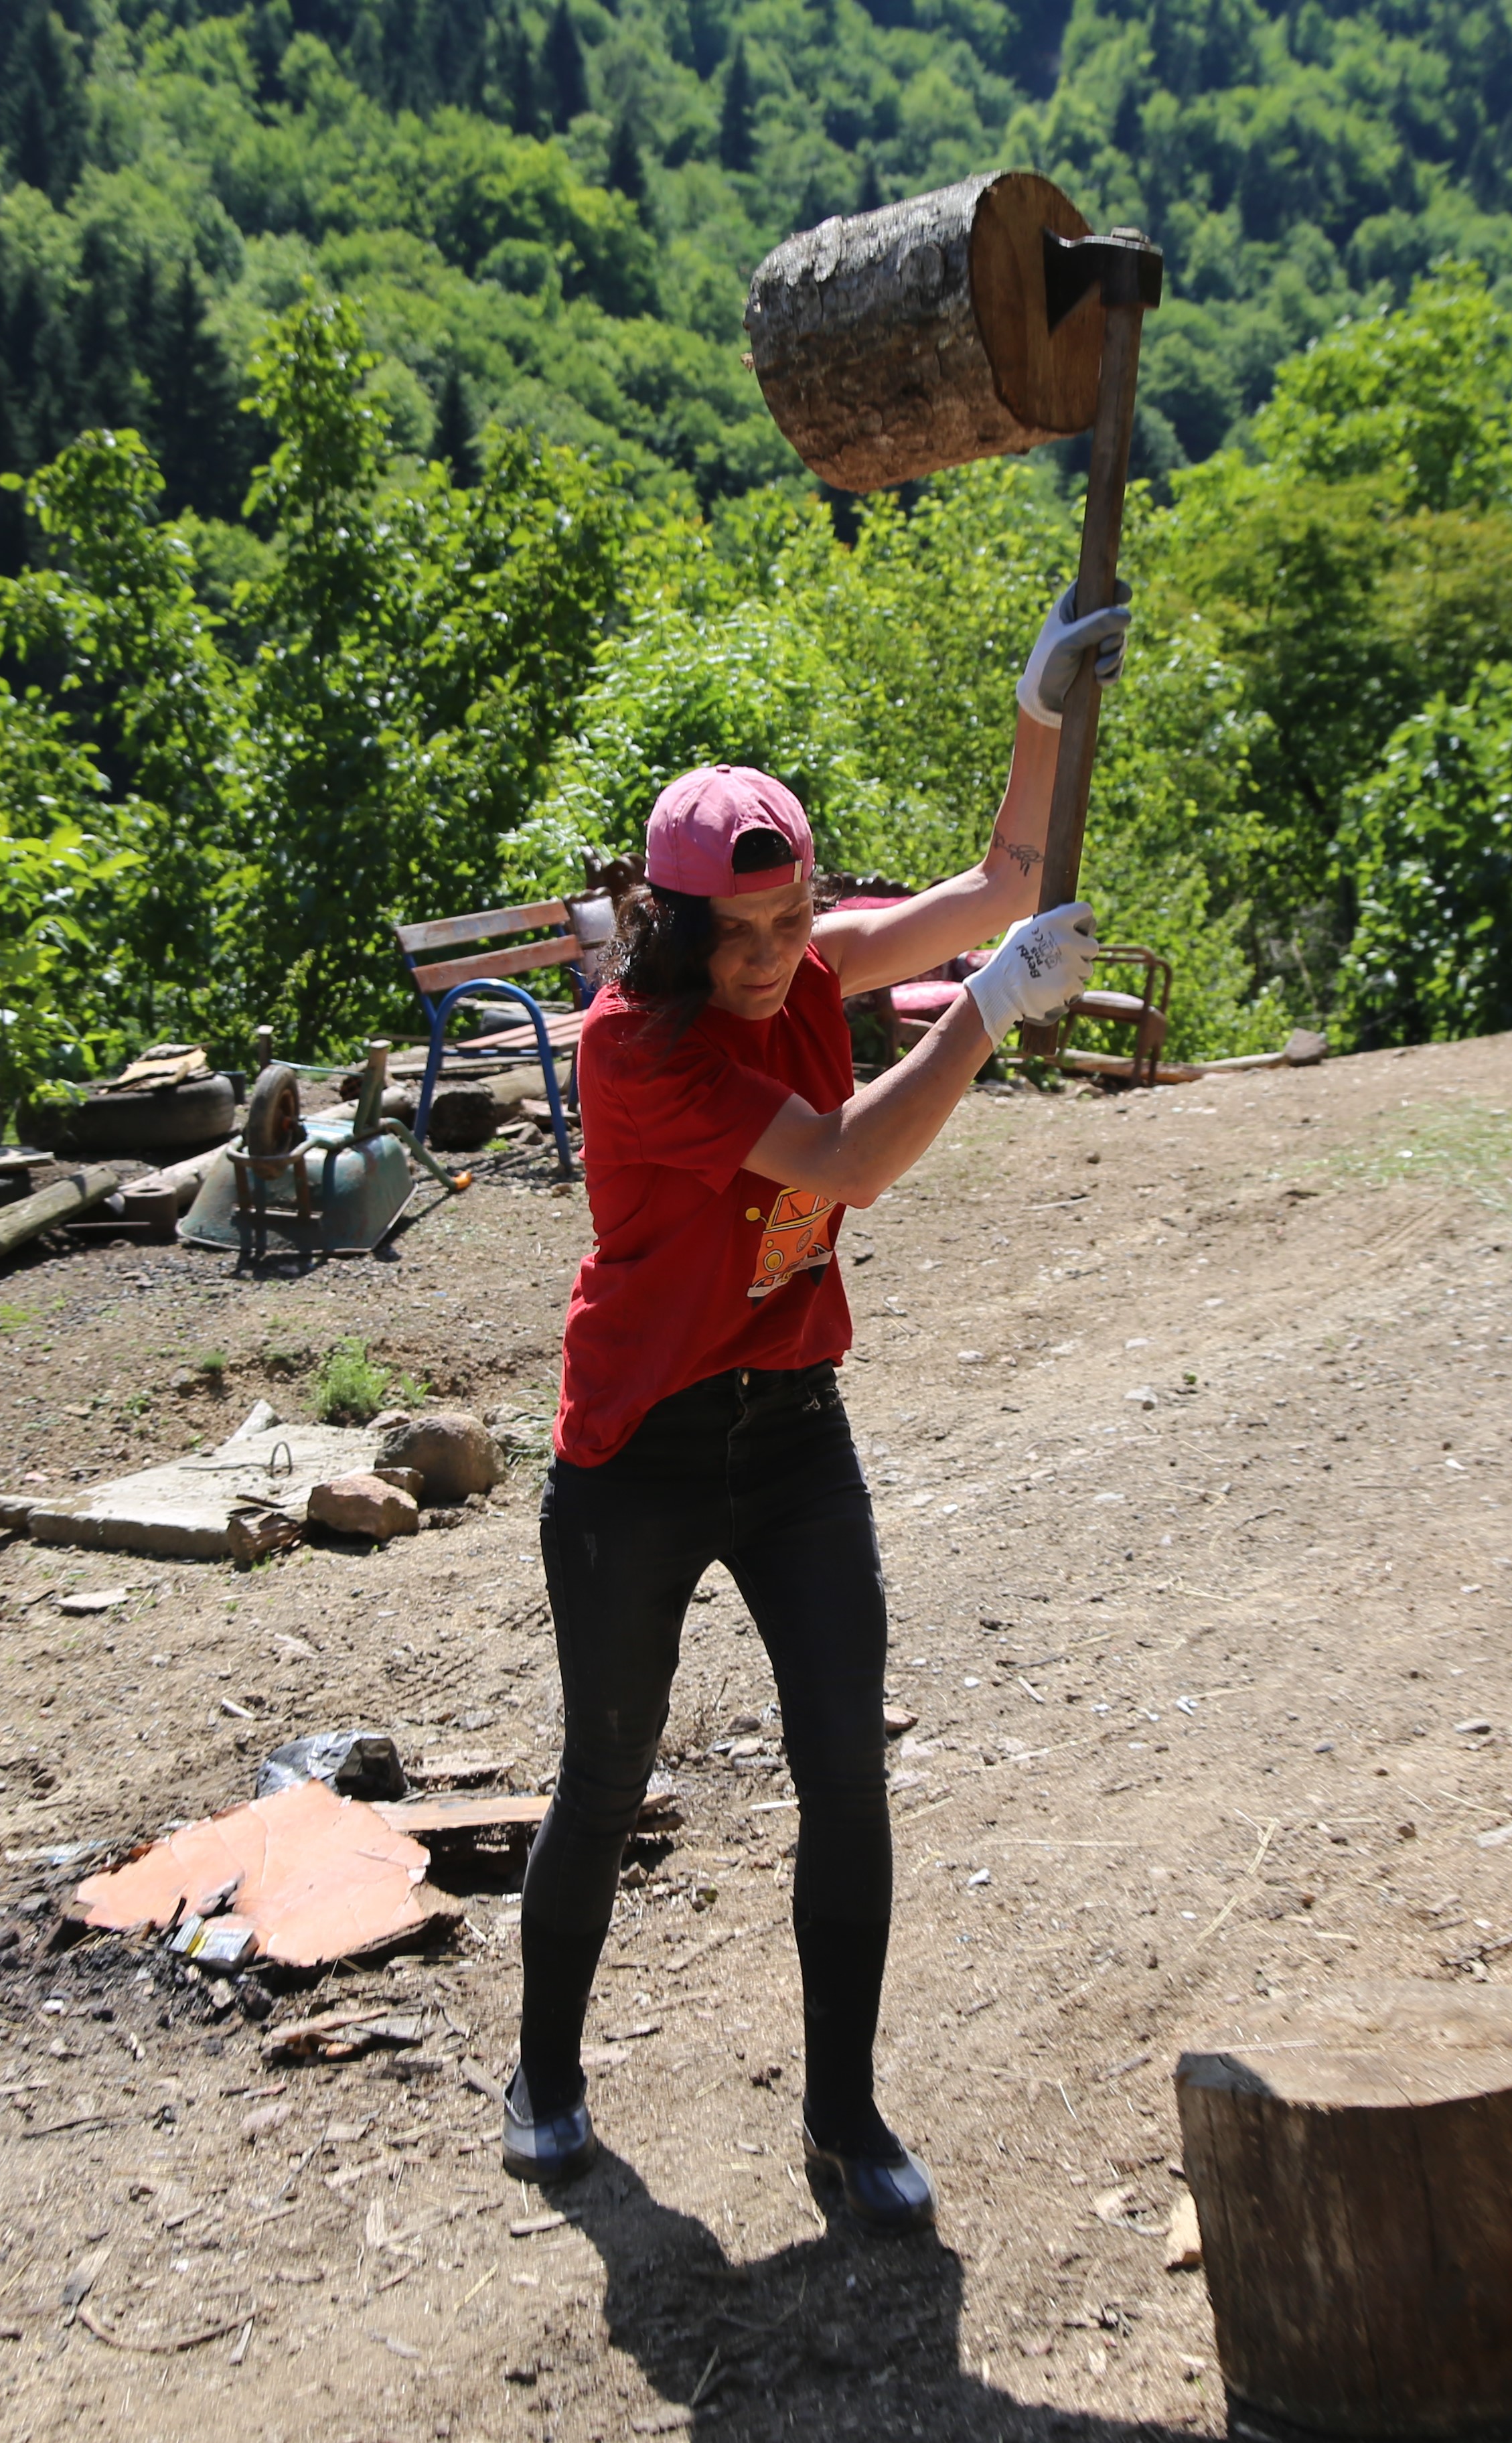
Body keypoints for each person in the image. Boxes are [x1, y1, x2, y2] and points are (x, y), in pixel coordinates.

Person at [499, 586, 1129, 2233]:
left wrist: (1039, 710)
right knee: (608, 1768)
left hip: (789, 1438)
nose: (779, 959)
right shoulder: (637, 1052)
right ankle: (545, 2075)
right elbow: (847, 1157)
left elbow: (1001, 884)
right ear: (668, 920)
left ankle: (842, 2121)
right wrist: (983, 1009)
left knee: (843, 1761)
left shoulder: (803, 965)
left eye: (792, 926)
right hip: (633, 1457)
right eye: (745, 936)